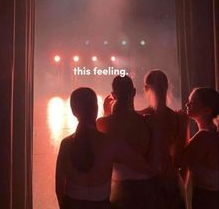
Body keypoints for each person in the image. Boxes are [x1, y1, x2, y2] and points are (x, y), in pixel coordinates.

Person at [55, 87, 151, 209]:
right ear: (96, 108)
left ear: (74, 111)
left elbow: (59, 190)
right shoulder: (109, 143)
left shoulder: (66, 144)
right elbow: (146, 168)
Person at [96, 76, 158, 209]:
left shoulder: (102, 123)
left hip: (118, 187)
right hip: (146, 186)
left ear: (113, 94)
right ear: (134, 92)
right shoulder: (146, 122)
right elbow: (156, 158)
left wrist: (107, 113)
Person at [139, 69, 188, 209]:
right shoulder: (179, 119)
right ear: (167, 86)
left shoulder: (140, 117)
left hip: (147, 181)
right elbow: (180, 160)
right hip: (170, 180)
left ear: (145, 88)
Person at [183, 87, 219, 209]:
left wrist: (182, 125)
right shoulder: (212, 134)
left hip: (207, 199)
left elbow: (178, 160)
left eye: (193, 102)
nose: (187, 104)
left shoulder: (204, 136)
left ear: (207, 110)